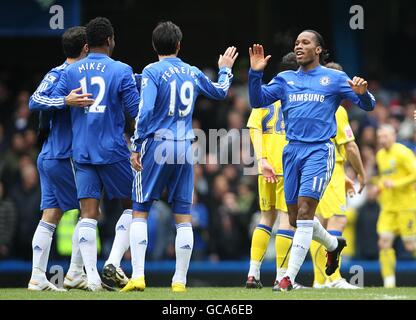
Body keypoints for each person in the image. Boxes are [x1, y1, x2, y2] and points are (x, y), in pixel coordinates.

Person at [248, 29, 376, 291]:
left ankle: (287, 279)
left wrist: (363, 93)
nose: (299, 46)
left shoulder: (334, 78)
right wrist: (255, 73)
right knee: (295, 219)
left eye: (305, 42)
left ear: (318, 49)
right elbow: (257, 100)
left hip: (319, 151)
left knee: (306, 213)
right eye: (296, 42)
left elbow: (368, 105)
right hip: (291, 151)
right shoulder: (285, 79)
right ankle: (332, 244)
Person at [122, 21, 238, 293]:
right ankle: (180, 282)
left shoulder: (152, 71)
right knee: (183, 214)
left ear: (154, 46)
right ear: (178, 45)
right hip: (186, 145)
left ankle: (138, 276)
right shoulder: (192, 71)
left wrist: (136, 145)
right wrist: (225, 69)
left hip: (158, 143)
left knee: (140, 209)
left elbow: (146, 110)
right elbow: (221, 91)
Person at [52, 17, 141, 291]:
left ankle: (91, 279)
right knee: (136, 206)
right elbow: (136, 110)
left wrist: (67, 101)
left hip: (82, 150)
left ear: (87, 44)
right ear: (111, 40)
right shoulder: (122, 69)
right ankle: (112, 263)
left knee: (88, 213)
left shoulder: (71, 71)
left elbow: (53, 101)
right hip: (113, 150)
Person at [27, 26, 92, 291]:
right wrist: (65, 100)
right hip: (62, 155)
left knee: (50, 215)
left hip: (49, 155)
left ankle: (37, 276)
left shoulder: (59, 72)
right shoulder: (63, 74)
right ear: (86, 48)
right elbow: (35, 100)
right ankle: (76, 273)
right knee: (89, 209)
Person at [245, 52, 305, 289]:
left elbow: (253, 128)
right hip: (289, 165)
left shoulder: (265, 91)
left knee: (265, 218)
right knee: (287, 220)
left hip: (266, 167)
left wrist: (261, 160)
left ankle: (252, 274)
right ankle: (281, 277)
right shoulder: (301, 94)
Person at [311, 62, 366, 289]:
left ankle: (319, 280)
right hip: (330, 167)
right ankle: (333, 278)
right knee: (337, 219)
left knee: (319, 225)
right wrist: (361, 174)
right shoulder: (337, 108)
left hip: (314, 167)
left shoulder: (313, 101)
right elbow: (350, 146)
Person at [374, 124, 416, 288]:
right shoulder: (380, 155)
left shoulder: (403, 152)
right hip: (388, 207)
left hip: (406, 206)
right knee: (383, 242)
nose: (381, 140)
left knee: (410, 245)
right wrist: (379, 186)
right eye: (379, 137)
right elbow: (384, 178)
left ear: (393, 136)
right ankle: (389, 282)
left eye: (384, 136)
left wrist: (396, 184)